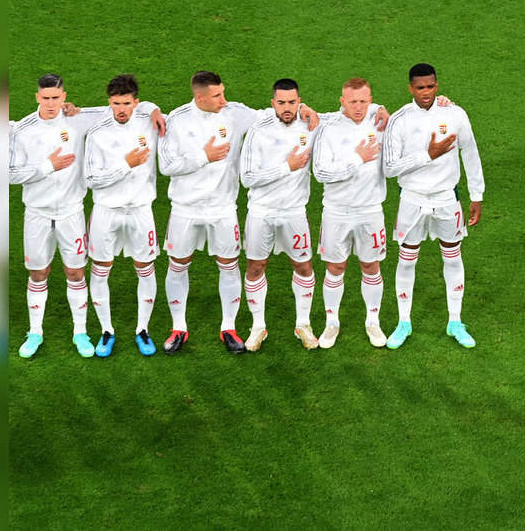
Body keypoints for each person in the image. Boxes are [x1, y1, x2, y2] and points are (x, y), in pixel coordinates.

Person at [158, 70, 320, 355]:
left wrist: (303, 108)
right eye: (218, 95)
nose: (224, 99)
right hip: (186, 208)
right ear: (200, 97)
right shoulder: (177, 120)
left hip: (223, 208)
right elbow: (166, 166)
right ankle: (178, 327)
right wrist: (202, 157)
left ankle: (229, 328)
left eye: (223, 92)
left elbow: (270, 114)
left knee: (229, 264)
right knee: (178, 263)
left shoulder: (234, 113)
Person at [9, 73, 163, 358]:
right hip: (37, 213)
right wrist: (47, 166)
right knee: (38, 272)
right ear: (37, 98)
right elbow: (9, 173)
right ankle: (35, 332)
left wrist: (152, 108)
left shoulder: (80, 120)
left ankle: (81, 332)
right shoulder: (23, 129)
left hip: (72, 212)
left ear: (65, 97)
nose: (52, 104)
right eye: (46, 98)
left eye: (57, 97)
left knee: (76, 272)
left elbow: (129, 108)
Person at [382, 63, 484, 349]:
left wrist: (477, 195)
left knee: (452, 257)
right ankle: (404, 322)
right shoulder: (399, 120)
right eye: (420, 87)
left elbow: (471, 152)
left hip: (446, 198)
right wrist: (428, 155)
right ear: (410, 88)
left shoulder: (455, 114)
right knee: (407, 259)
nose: (426, 92)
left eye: (430, 86)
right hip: (412, 199)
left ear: (437, 85)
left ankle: (455, 321)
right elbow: (389, 168)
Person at [83, 74, 168, 357]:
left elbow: (166, 112)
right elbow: (91, 179)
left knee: (145, 268)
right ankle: (107, 331)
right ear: (109, 102)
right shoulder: (98, 133)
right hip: (106, 211)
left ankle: (142, 329)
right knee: (100, 269)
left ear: (136, 102)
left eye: (127, 103)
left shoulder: (149, 121)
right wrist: (125, 164)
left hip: (141, 210)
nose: (121, 109)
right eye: (116, 103)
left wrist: (153, 109)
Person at [239, 78, 322, 351]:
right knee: (255, 267)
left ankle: (303, 324)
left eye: (292, 102)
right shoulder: (258, 130)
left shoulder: (311, 125)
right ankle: (258, 327)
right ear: (272, 103)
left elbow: (349, 113)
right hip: (261, 212)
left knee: (304, 267)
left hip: (294, 212)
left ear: (300, 101)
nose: (287, 108)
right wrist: (287, 167)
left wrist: (379, 109)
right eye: (282, 102)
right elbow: (248, 177)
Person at [312, 77, 390, 348]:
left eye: (364, 101)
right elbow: (321, 172)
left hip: (370, 211)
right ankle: (331, 323)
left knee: (371, 266)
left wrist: (443, 102)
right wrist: (357, 158)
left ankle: (373, 321)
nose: (358, 107)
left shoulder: (380, 122)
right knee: (335, 267)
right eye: (353, 101)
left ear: (370, 100)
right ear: (342, 101)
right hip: (337, 212)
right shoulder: (328, 128)